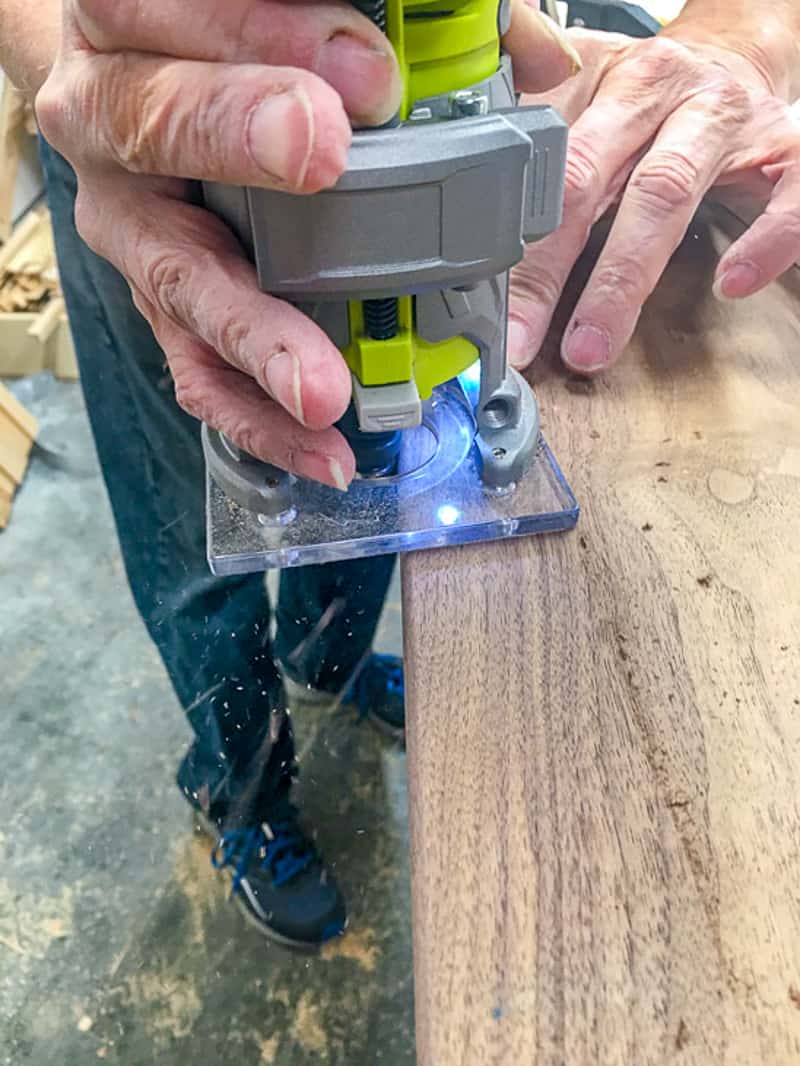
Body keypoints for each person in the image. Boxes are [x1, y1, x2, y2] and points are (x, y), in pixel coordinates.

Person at [2, 0, 799, 950]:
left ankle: (322, 663)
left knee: (377, 470)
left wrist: (740, 35)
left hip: (452, 107)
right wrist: (72, 65)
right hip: (163, 121)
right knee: (201, 506)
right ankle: (241, 787)